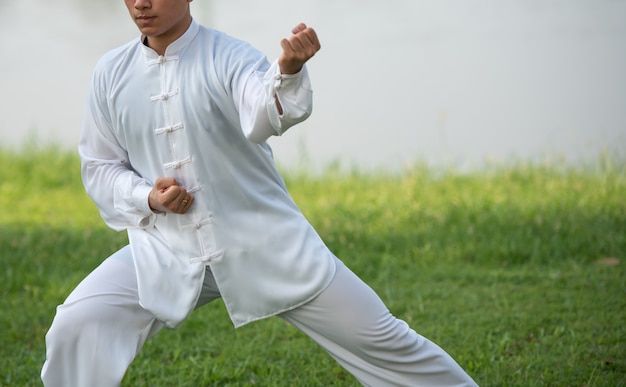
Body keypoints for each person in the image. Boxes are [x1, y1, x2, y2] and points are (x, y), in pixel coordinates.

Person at [41, 0, 478, 386]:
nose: (140, 3)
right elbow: (100, 167)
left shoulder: (228, 55)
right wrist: (147, 197)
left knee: (382, 339)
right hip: (165, 248)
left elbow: (263, 113)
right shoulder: (110, 73)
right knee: (78, 322)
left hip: (267, 243)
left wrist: (287, 71)